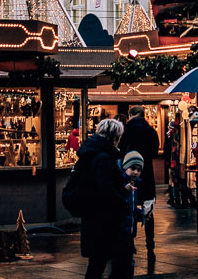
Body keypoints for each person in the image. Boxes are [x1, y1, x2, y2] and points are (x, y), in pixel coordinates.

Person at [76, 118, 131, 279]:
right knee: (115, 263)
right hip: (105, 223)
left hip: (93, 220)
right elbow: (106, 191)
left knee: (97, 263)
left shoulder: (89, 154)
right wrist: (124, 201)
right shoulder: (103, 159)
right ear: (115, 138)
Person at [120, 104, 159, 266]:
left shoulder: (126, 130)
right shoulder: (151, 131)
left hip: (129, 173)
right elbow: (155, 152)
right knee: (148, 208)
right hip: (147, 173)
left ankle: (130, 244)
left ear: (131, 115)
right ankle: (150, 245)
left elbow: (121, 150)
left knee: (129, 206)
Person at [117, 150, 145, 279]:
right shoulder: (122, 183)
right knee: (124, 264)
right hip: (121, 231)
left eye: (138, 170)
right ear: (125, 167)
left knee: (128, 263)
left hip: (129, 231)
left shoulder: (134, 185)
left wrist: (142, 213)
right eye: (132, 168)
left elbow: (131, 208)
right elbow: (118, 204)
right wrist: (124, 191)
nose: (135, 172)